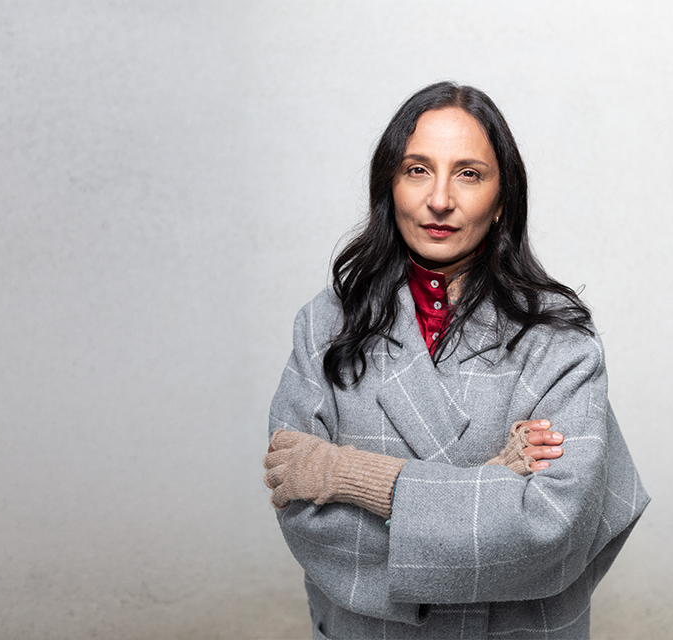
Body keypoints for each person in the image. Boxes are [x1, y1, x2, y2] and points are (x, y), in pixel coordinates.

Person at [263, 81, 649, 639]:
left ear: (501, 200)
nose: (439, 198)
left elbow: (550, 531)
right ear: (388, 185)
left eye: (469, 173)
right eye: (417, 169)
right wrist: (493, 484)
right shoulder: (325, 325)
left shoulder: (560, 340)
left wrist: (349, 475)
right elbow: (306, 522)